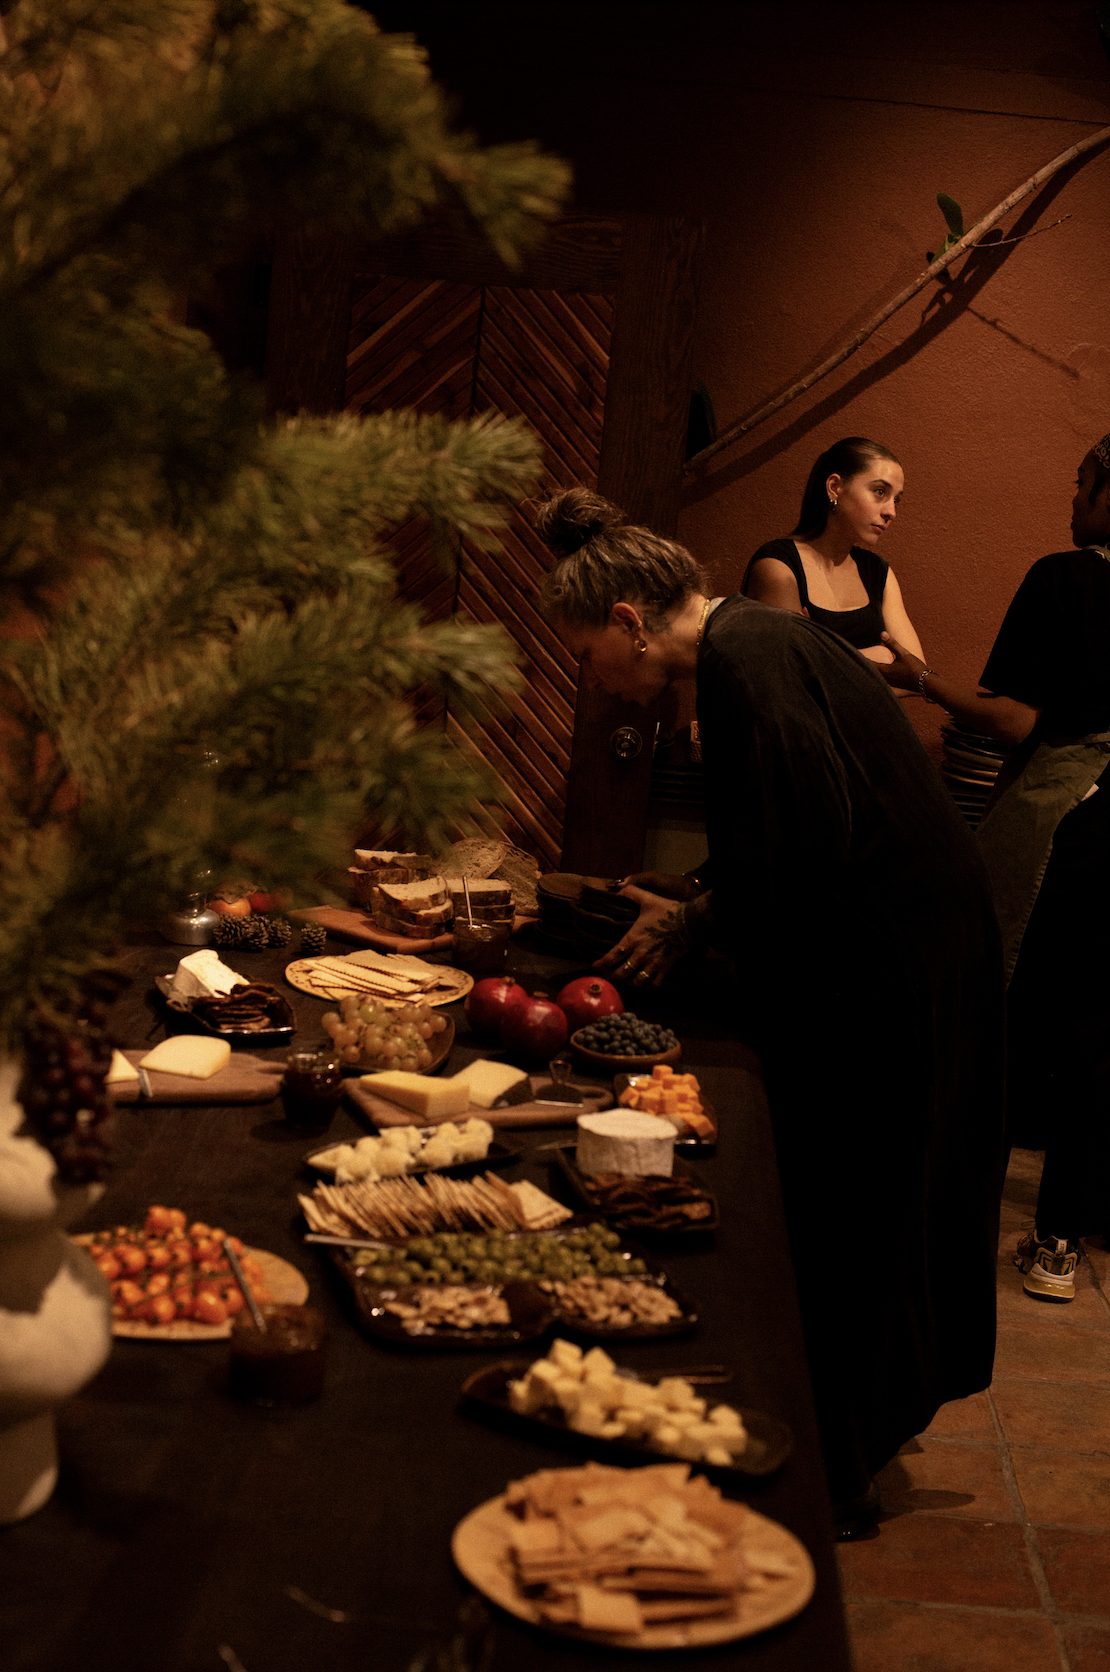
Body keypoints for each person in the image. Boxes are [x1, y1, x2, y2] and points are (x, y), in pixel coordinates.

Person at [536, 486, 1006, 1536]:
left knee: (854, 1205)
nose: (597, 684)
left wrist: (697, 919)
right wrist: (699, 891)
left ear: (625, 621)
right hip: (901, 950)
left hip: (899, 965)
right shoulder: (751, 643)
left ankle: (832, 1471)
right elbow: (784, 823)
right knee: (861, 1203)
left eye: (586, 656)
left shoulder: (749, 657)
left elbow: (818, 834)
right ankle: (842, 1436)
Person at [877, 433, 1110, 1304]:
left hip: (1074, 817)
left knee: (1001, 1007)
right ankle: (1055, 1245)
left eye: (1082, 482)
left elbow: (1012, 721)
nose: (1072, 497)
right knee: (1097, 1034)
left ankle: (950, 1222)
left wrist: (920, 678)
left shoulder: (1068, 576)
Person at [743, 436, 924, 667]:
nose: (891, 512)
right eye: (880, 492)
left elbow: (917, 675)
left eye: (896, 500)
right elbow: (790, 675)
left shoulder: (878, 572)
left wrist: (821, 654)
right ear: (835, 487)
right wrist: (882, 657)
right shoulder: (779, 564)